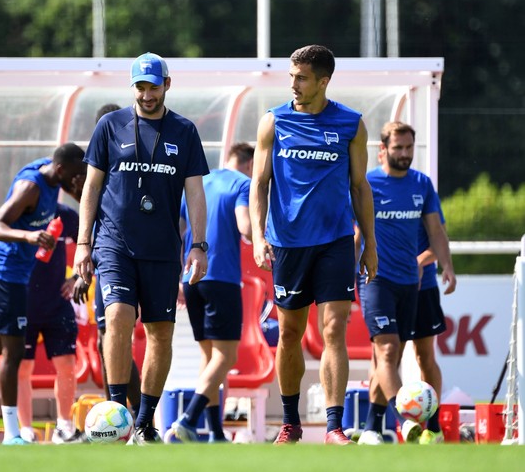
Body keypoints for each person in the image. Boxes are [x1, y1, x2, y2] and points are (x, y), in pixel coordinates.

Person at [74, 52, 209, 445]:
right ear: (132, 87)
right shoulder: (109, 125)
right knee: (117, 316)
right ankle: (117, 413)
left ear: (167, 84)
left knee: (160, 333)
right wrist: (84, 243)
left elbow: (196, 195)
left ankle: (146, 422)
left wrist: (198, 246)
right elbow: (91, 188)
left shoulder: (184, 131)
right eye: (140, 87)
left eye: (153, 86)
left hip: (163, 249)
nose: (147, 95)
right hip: (114, 243)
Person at [249, 44, 378, 445]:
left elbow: (360, 187)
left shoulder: (351, 124)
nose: (294, 85)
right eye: (291, 77)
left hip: (336, 241)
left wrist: (370, 245)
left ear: (324, 81)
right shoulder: (273, 121)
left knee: (334, 328)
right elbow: (258, 184)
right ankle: (290, 422)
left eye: (302, 78)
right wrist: (257, 235)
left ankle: (334, 427)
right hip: (288, 243)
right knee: (289, 334)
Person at [0, 143, 86, 445]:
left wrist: (79, 189)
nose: (77, 182)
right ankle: (13, 434)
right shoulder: (31, 187)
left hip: (13, 276)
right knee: (13, 354)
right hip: (5, 273)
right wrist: (29, 236)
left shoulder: (54, 178)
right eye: (75, 177)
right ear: (60, 170)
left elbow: (82, 202)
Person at [356, 121, 456, 445]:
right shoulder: (366, 184)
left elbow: (437, 231)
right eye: (398, 148)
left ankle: (421, 426)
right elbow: (354, 234)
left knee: (407, 357)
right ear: (382, 150)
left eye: (409, 148)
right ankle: (403, 423)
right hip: (376, 280)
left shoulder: (421, 185)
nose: (405, 154)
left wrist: (447, 267)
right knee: (386, 351)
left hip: (415, 284)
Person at [0, 204, 86, 444]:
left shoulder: (66, 215)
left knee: (67, 364)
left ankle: (64, 428)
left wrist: (77, 277)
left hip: (57, 303)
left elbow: (91, 243)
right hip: (20, 303)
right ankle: (25, 430)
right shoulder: (13, 212)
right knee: (20, 368)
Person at [170, 142, 254, 443]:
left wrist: (179, 276)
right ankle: (188, 419)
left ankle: (216, 434)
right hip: (221, 277)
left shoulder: (199, 182)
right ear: (248, 164)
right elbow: (245, 227)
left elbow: (176, 231)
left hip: (192, 278)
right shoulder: (244, 184)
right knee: (226, 357)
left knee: (209, 358)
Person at [73, 103, 142, 420]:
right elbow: (89, 217)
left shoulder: (132, 163)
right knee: (109, 338)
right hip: (103, 259)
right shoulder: (94, 168)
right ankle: (116, 419)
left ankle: (135, 416)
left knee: (115, 337)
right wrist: (83, 269)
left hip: (127, 258)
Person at [413, 204, 451, 444]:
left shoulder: (422, 190)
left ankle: (434, 426)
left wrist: (417, 262)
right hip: (385, 287)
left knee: (425, 357)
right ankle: (383, 424)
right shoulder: (371, 186)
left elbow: (439, 241)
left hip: (423, 288)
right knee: (387, 354)